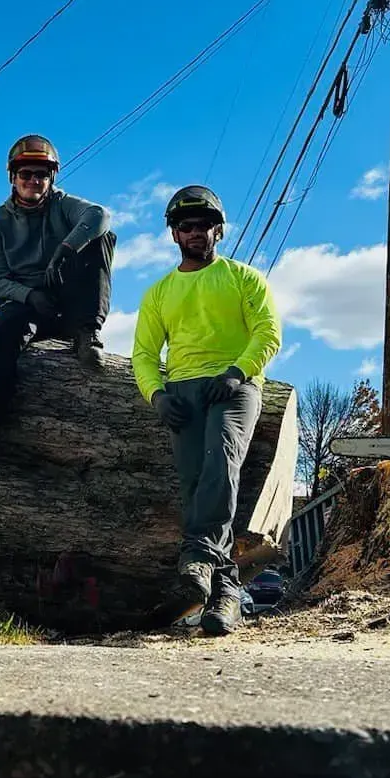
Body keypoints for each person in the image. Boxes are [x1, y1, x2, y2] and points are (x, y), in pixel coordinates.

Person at [131, 185, 281, 636]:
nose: (196, 232)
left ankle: (196, 560)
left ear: (219, 229)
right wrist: (157, 395)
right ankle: (226, 593)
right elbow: (143, 353)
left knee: (221, 461)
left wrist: (238, 371)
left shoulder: (244, 279)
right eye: (186, 226)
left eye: (204, 225)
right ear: (175, 234)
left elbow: (268, 331)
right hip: (182, 390)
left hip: (233, 387)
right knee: (196, 483)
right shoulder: (159, 293)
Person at [0, 135, 115, 472]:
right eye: (26, 174)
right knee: (0, 335)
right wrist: (29, 295)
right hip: (26, 304)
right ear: (13, 177)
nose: (34, 180)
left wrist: (66, 250)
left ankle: (88, 333)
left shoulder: (63, 205)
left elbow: (100, 215)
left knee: (101, 236)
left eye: (42, 174)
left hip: (70, 299)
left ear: (51, 178)